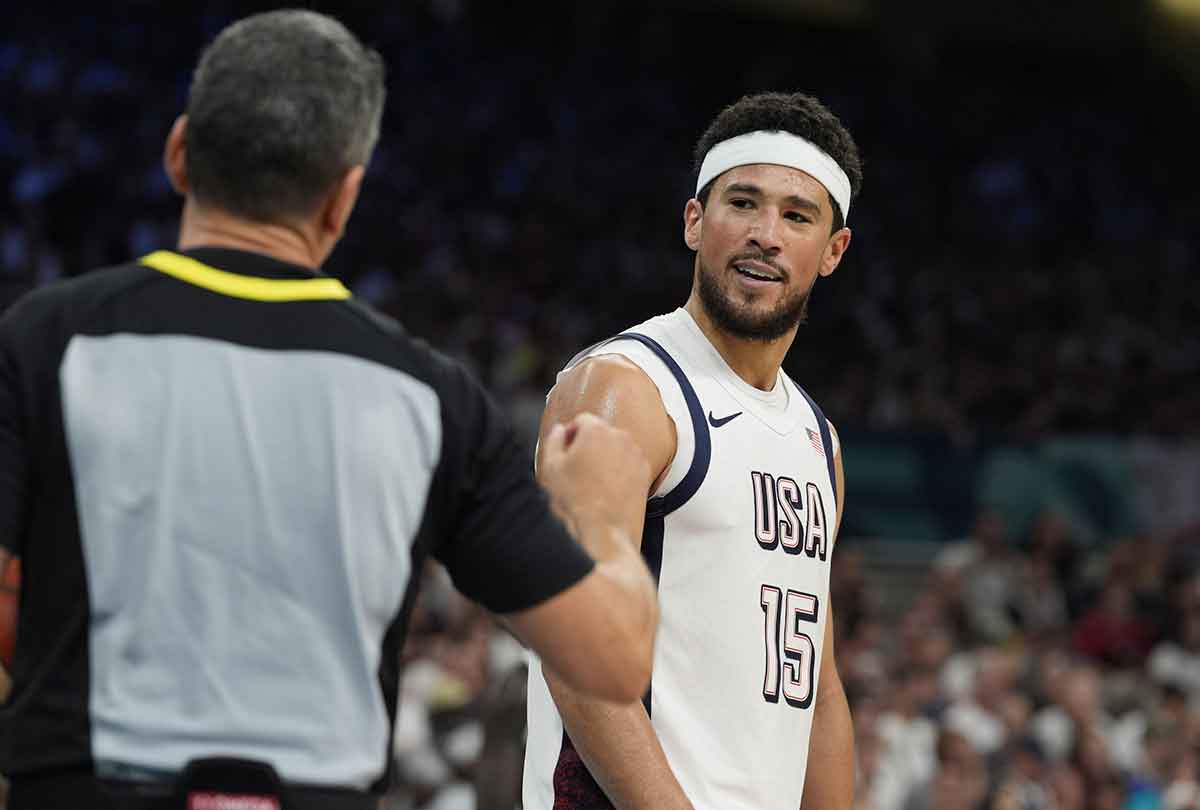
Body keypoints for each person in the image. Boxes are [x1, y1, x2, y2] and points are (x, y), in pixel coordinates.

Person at [0, 11, 659, 810]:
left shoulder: (46, 341)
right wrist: (601, 517)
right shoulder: (430, 396)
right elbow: (615, 661)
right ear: (344, 197)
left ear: (179, 154)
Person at [522, 91, 862, 809]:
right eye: (743, 203)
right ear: (695, 221)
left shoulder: (816, 437)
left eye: (797, 216)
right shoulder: (624, 390)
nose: (766, 234)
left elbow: (820, 693)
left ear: (832, 252)